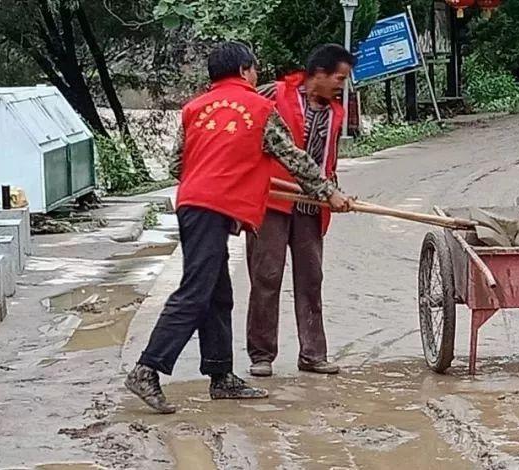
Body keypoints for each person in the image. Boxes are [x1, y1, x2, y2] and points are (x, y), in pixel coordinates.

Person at [125, 42, 352, 414]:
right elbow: (294, 157)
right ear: (246, 70)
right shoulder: (261, 109)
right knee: (195, 293)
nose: (257, 75)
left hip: (192, 205)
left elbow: (176, 166)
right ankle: (147, 368)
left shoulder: (194, 108)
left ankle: (221, 376)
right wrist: (329, 192)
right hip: (214, 208)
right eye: (255, 69)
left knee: (218, 295)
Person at [244, 44, 352, 377]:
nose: (341, 86)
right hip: (272, 199)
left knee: (311, 278)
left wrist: (333, 190)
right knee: (267, 276)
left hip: (311, 204)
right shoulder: (274, 93)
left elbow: (325, 160)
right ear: (318, 73)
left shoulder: (335, 112)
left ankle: (313, 354)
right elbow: (241, 111)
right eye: (339, 77)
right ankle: (261, 354)